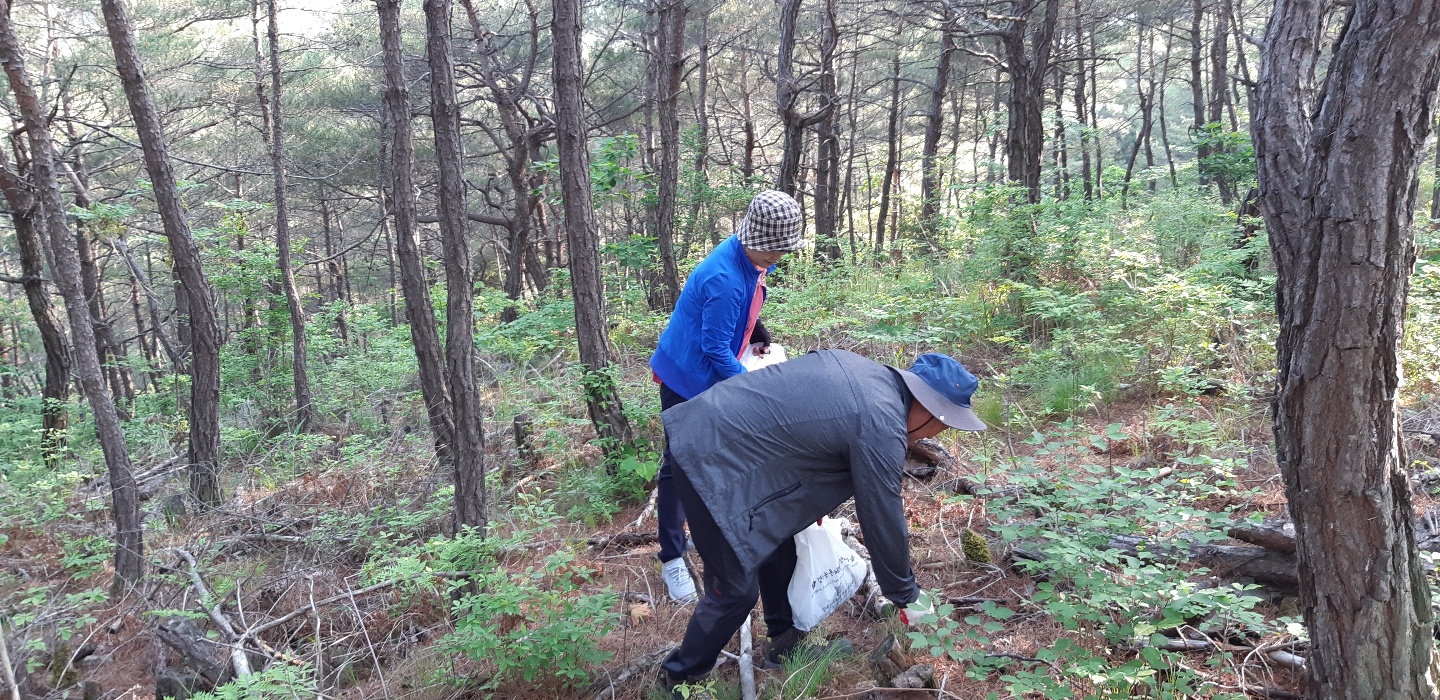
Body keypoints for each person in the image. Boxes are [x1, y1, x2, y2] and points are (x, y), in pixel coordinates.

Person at [656, 349, 986, 696]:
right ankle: (678, 678)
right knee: (734, 592)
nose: (940, 432)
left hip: (724, 440)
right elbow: (881, 514)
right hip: (709, 456)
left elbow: (801, 426)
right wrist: (906, 594)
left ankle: (785, 644)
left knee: (779, 538)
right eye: (944, 422)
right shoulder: (880, 421)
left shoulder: (870, 377)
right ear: (929, 408)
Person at [649, 190, 806, 603]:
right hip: (685, 379)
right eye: (775, 251)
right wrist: (750, 389)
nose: (779, 258)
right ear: (756, 238)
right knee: (678, 469)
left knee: (714, 461)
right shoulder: (725, 276)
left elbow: (739, 309)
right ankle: (671, 557)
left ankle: (716, 534)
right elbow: (715, 348)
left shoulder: (748, 256)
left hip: (709, 371)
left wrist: (756, 331)